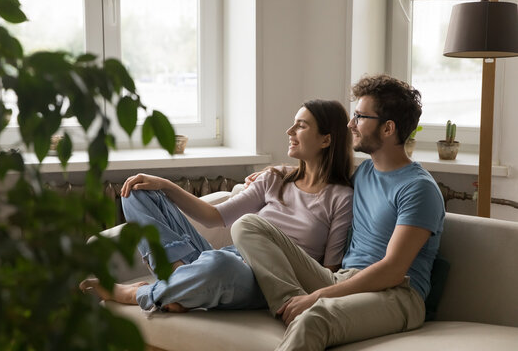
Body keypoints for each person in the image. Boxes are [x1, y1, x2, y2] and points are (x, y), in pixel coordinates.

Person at [232, 74, 445, 350]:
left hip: (398, 294)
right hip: (343, 278)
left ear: (388, 128)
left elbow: (393, 271)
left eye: (360, 117)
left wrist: (317, 297)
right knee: (248, 224)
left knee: (314, 318)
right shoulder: (365, 173)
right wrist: (275, 174)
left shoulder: (418, 189)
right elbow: (320, 181)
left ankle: (301, 309)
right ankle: (287, 302)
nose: (349, 124)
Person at [79, 99, 354, 313]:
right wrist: (164, 185)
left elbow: (327, 272)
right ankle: (178, 278)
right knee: (135, 193)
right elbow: (214, 217)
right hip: (225, 258)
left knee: (219, 265)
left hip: (261, 280)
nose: (289, 131)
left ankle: (139, 293)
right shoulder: (275, 178)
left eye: (301, 126)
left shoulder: (341, 198)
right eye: (293, 123)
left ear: (326, 139)